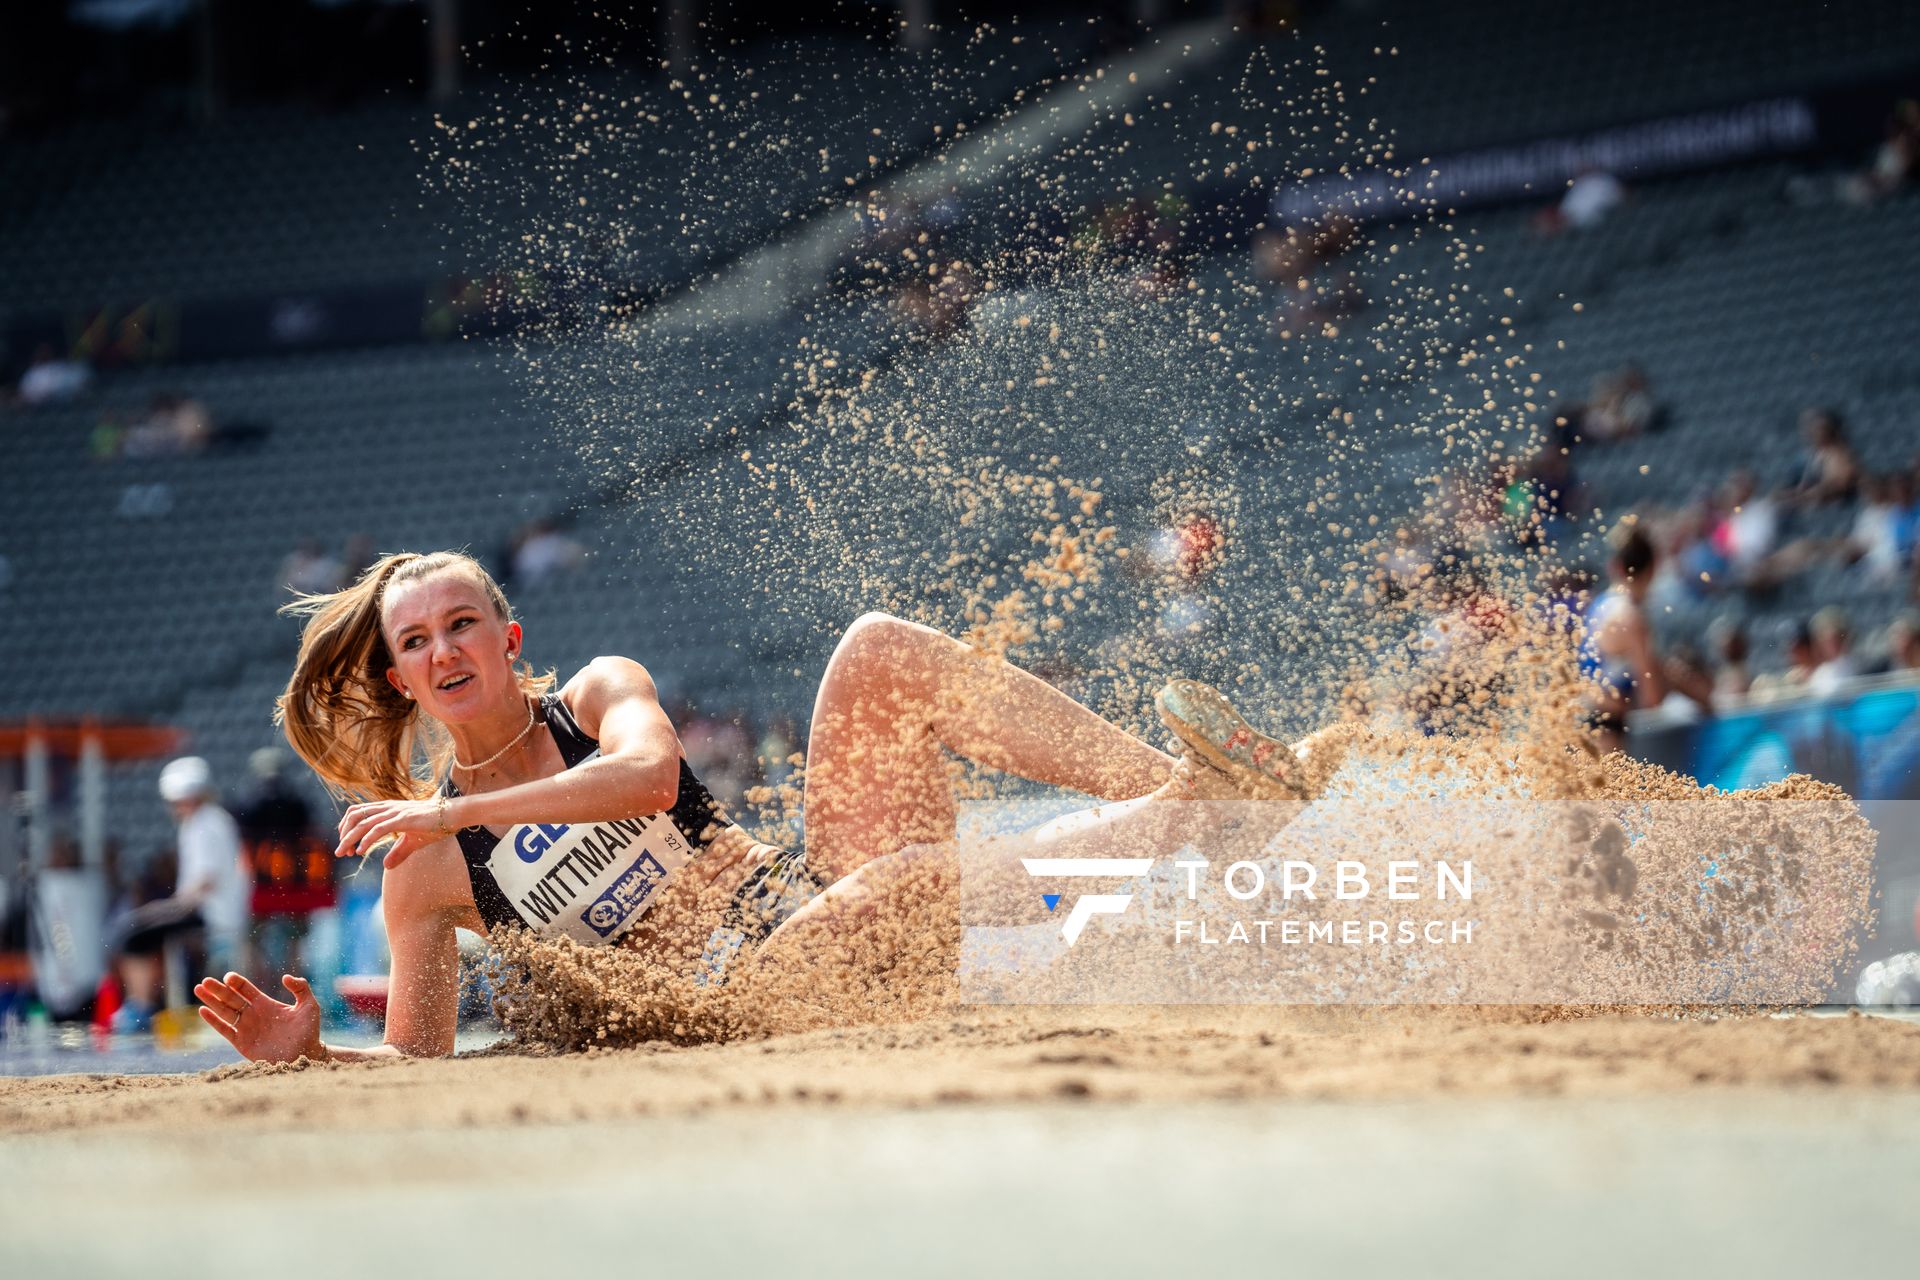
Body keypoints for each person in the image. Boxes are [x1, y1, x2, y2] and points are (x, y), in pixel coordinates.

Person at [194, 551, 1340, 1063]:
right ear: (399, 677)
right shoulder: (425, 869)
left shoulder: (597, 693)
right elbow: (422, 1059)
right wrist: (313, 1058)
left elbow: (645, 782)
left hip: (801, 900)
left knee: (877, 648)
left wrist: (453, 813)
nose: (444, 648)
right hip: (731, 1001)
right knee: (893, 890)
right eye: (417, 639)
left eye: (462, 625)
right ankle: (1209, 810)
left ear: (510, 640)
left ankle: (1178, 787)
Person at [111, 757, 251, 1031]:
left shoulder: (204, 823)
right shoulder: (211, 819)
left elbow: (205, 880)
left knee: (131, 932)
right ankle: (143, 1004)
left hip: (209, 911)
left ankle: (140, 1008)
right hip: (212, 909)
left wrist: (174, 904)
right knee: (139, 930)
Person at [1578, 525, 1668, 754]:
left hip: (1581, 720)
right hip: (1603, 729)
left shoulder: (1601, 604)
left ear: (1615, 567)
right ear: (1653, 569)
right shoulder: (1630, 618)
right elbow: (1653, 698)